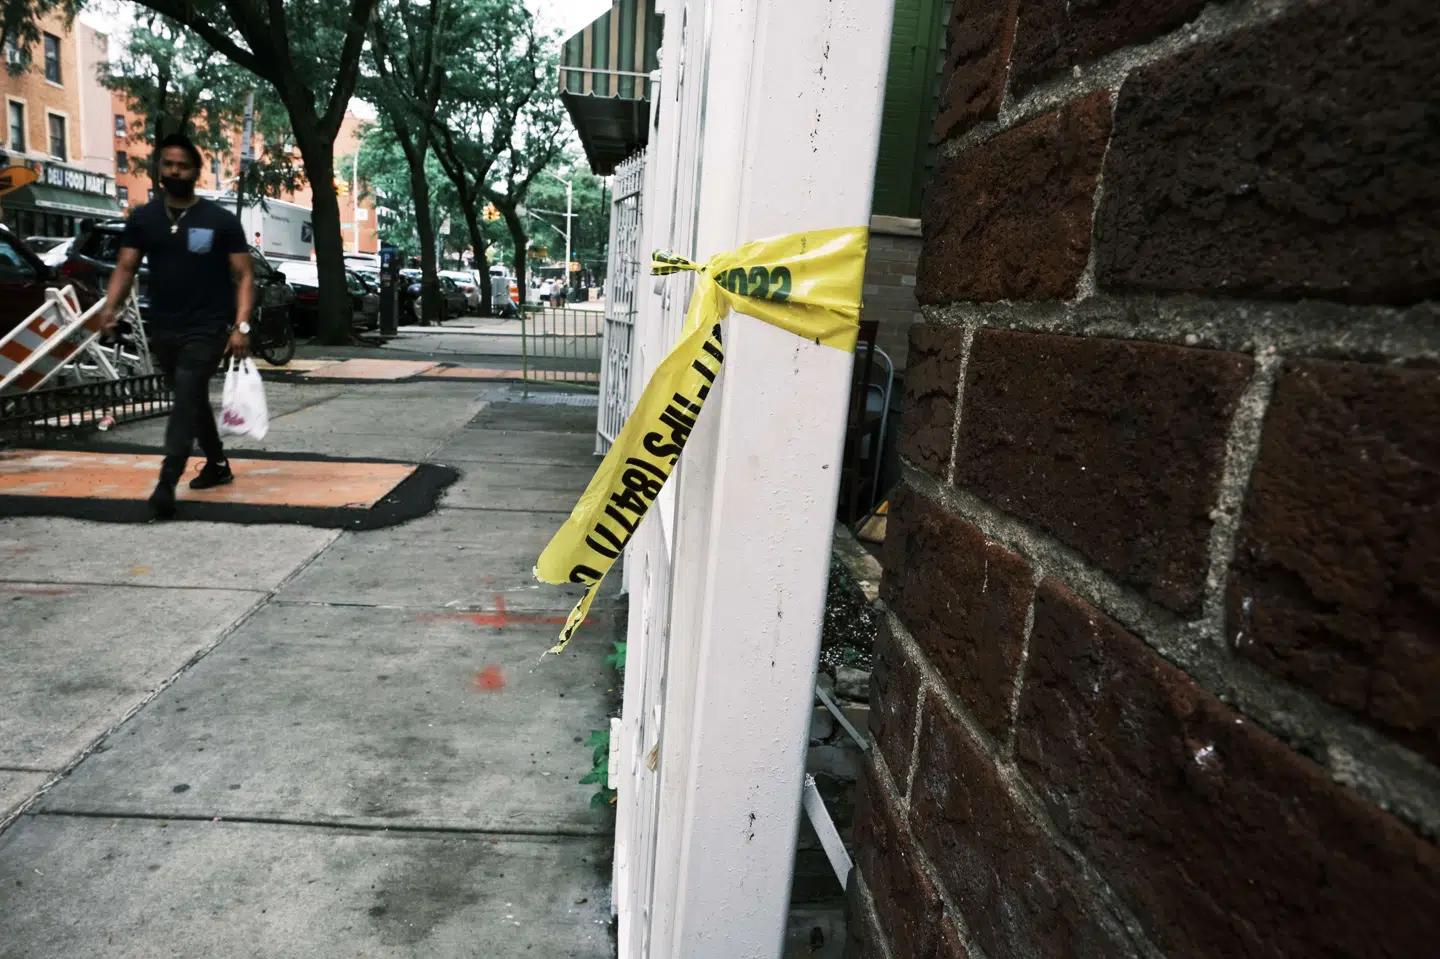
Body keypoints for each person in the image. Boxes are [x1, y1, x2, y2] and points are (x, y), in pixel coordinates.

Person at [98, 132, 254, 520]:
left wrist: (241, 327)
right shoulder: (144, 218)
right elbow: (126, 266)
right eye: (168, 164)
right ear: (159, 169)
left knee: (185, 395)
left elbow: (245, 275)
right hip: (164, 325)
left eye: (182, 165)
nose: (174, 171)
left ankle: (166, 483)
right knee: (193, 397)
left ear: (196, 171)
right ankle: (217, 464)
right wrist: (109, 308)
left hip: (208, 325)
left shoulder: (219, 220)